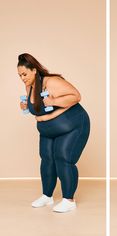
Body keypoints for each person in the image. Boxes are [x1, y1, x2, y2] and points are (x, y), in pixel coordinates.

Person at [18, 53, 90, 213]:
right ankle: (47, 196)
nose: (22, 78)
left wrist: (54, 101)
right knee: (47, 159)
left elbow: (76, 96)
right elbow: (41, 110)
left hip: (72, 127)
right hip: (47, 131)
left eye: (25, 74)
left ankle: (69, 200)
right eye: (20, 75)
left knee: (63, 158)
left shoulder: (51, 82)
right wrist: (26, 107)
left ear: (34, 70)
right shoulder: (29, 86)